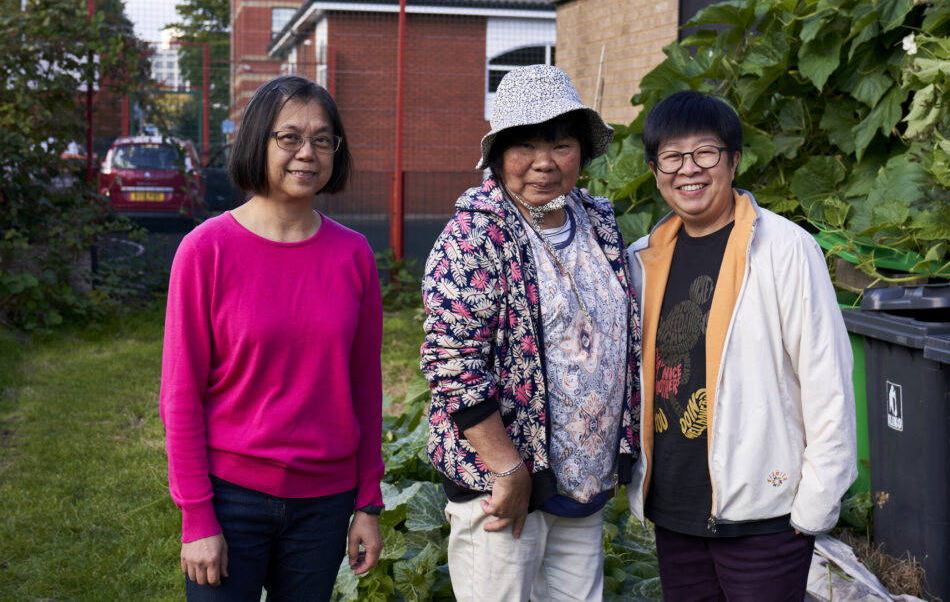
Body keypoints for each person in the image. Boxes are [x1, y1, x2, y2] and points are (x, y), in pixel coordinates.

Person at [420, 64, 642, 601]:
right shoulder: (475, 235)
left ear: (582, 153)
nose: (544, 162)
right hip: (502, 486)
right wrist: (510, 470)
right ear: (498, 155)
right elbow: (452, 366)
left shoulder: (597, 221)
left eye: (561, 144)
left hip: (581, 482)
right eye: (525, 146)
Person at [160, 75, 385, 601]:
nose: (307, 153)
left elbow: (365, 390)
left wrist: (367, 503)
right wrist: (197, 516)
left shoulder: (354, 256)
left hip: (324, 504)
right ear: (258, 141)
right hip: (229, 497)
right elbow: (180, 395)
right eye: (289, 138)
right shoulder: (205, 251)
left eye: (323, 139)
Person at [626, 91, 856, 601]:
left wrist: (814, 507)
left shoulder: (785, 249)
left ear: (733, 160)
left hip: (765, 517)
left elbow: (828, 381)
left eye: (705, 153)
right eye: (672, 156)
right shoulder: (643, 260)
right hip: (675, 510)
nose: (690, 169)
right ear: (655, 169)